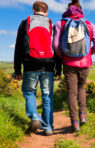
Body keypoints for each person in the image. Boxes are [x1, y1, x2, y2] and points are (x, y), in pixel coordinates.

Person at [53, 0, 95, 132]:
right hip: (85, 62)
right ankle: (83, 115)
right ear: (80, 10)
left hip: (68, 63)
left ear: (67, 10)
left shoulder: (60, 23)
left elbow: (56, 46)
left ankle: (74, 122)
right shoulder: (89, 24)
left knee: (71, 91)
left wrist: (63, 56)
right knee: (82, 88)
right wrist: (89, 54)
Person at [14, 1, 61, 136]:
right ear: (46, 12)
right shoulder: (51, 25)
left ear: (34, 10)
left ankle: (34, 116)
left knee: (29, 92)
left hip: (30, 65)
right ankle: (48, 128)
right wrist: (58, 70)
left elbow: (18, 48)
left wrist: (18, 70)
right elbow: (56, 48)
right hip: (48, 66)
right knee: (47, 96)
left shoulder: (25, 23)